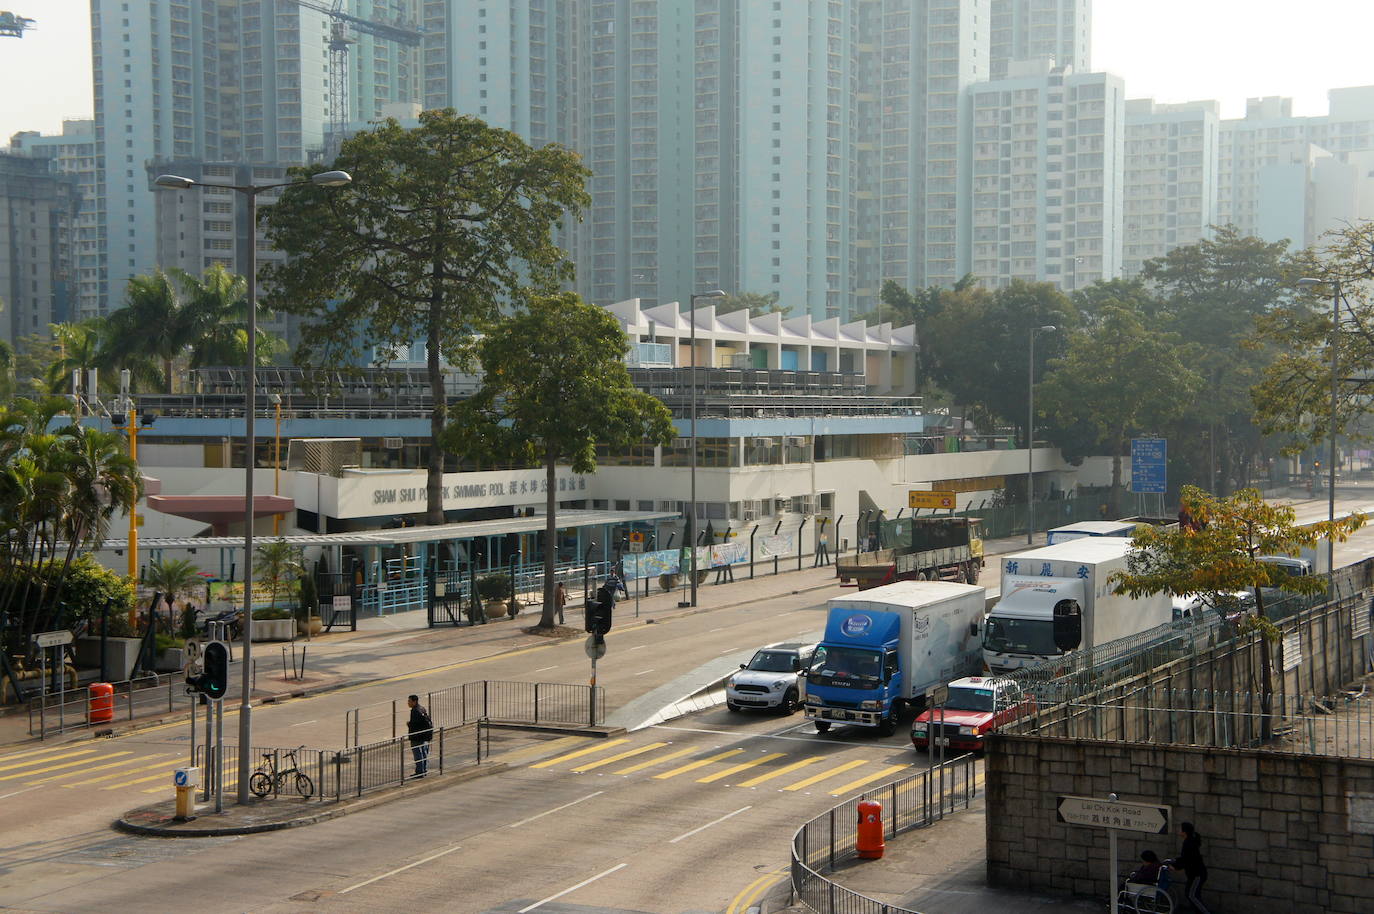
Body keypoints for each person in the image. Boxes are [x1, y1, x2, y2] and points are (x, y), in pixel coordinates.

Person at [1168, 821, 1210, 913]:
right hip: (1194, 874)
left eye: (1181, 829)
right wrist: (1175, 861)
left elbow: (1188, 859)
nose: (1179, 831)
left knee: (1192, 895)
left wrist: (1176, 867)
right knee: (1190, 893)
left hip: (1197, 874)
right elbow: (1185, 858)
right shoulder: (1189, 841)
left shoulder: (1189, 843)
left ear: (1184, 832)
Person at [406, 694, 432, 778]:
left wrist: (409, 724)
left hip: (417, 736)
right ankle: (423, 770)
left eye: (409, 701)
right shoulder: (422, 708)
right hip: (424, 735)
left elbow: (415, 724)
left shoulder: (415, 711)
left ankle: (419, 772)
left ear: (414, 701)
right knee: (424, 753)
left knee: (418, 754)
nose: (408, 703)